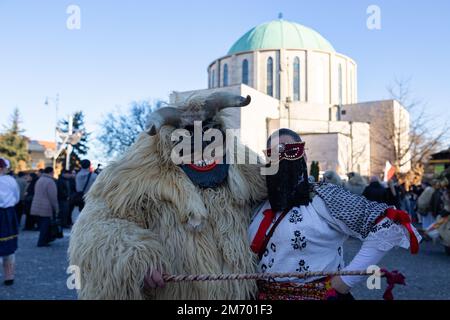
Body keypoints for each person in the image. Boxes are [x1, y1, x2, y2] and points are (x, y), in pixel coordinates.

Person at [69, 92, 266, 299]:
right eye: (188, 133)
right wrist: (135, 257)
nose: (201, 140)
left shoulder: (241, 165)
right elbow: (96, 224)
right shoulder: (136, 173)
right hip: (176, 292)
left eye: (209, 129)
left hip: (238, 295)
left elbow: (274, 194)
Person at [249, 129, 421, 300]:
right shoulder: (259, 204)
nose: (282, 157)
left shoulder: (323, 197)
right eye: (274, 153)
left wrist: (347, 280)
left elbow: (389, 226)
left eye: (290, 150)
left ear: (304, 156)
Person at [0, 158, 20, 285]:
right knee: (9, 248)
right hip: (7, 214)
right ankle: (9, 276)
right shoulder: (10, 180)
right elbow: (16, 197)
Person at [30, 167, 59, 247]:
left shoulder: (39, 180)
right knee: (45, 225)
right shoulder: (50, 182)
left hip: (37, 205)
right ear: (51, 172)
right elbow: (53, 197)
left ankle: (44, 240)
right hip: (46, 206)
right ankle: (42, 241)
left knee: (42, 224)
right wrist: (56, 208)